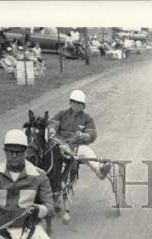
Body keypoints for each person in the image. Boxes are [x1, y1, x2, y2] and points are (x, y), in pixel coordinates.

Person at [46, 89, 111, 221]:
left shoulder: (87, 118)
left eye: (79, 103)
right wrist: (52, 131)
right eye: (74, 102)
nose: (76, 105)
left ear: (83, 105)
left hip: (77, 147)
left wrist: (84, 135)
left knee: (87, 152)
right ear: (70, 103)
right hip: (60, 144)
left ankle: (100, 171)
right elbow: (51, 124)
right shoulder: (62, 114)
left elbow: (93, 135)